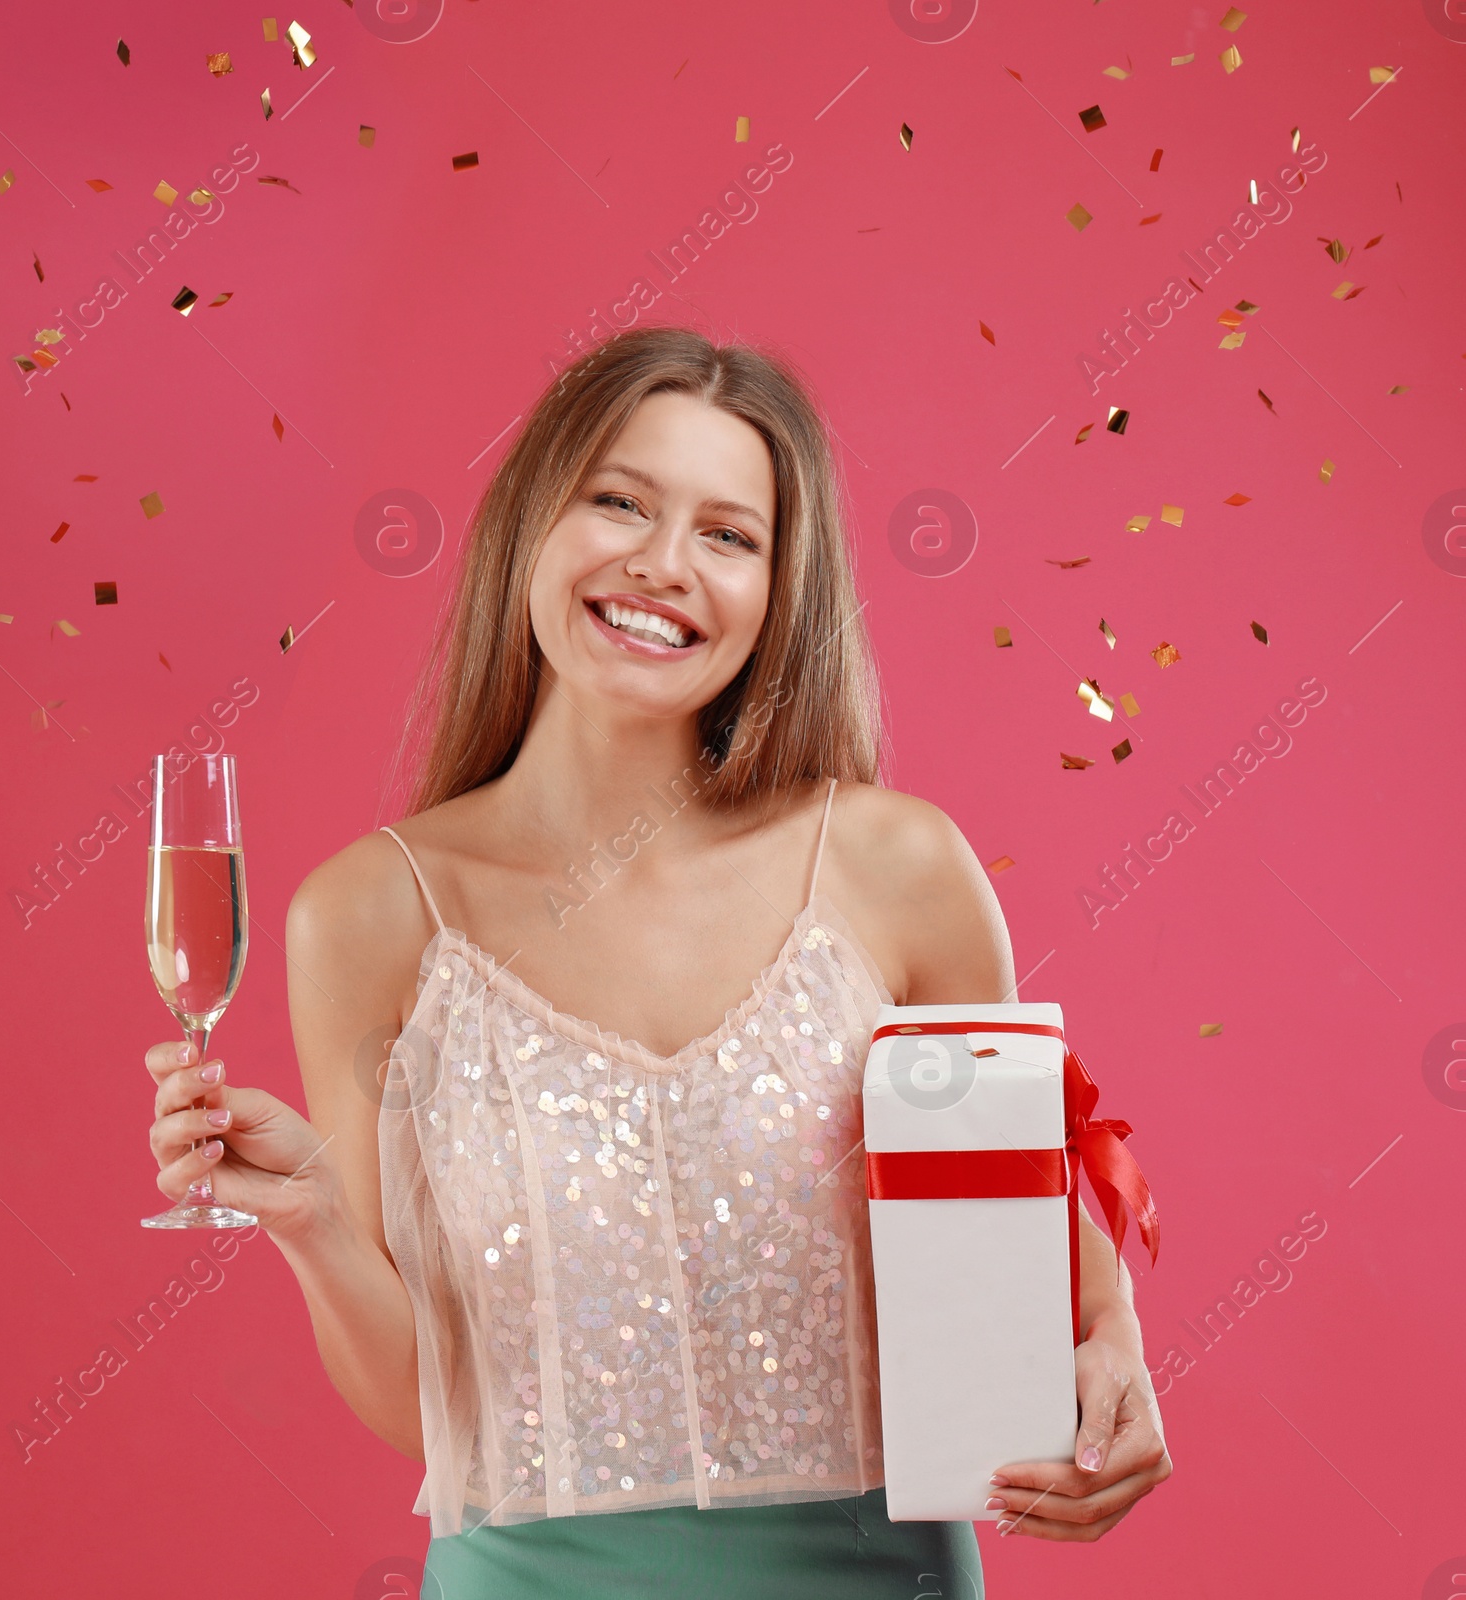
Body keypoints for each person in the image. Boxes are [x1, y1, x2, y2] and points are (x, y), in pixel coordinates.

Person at [146, 327, 1172, 1596]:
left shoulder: (896, 867)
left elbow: (1027, 1245)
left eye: (729, 534)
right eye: (620, 501)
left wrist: (1112, 1344)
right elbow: (431, 1416)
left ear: (778, 590)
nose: (663, 563)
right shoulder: (366, 915)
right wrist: (306, 1218)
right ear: (532, 524)